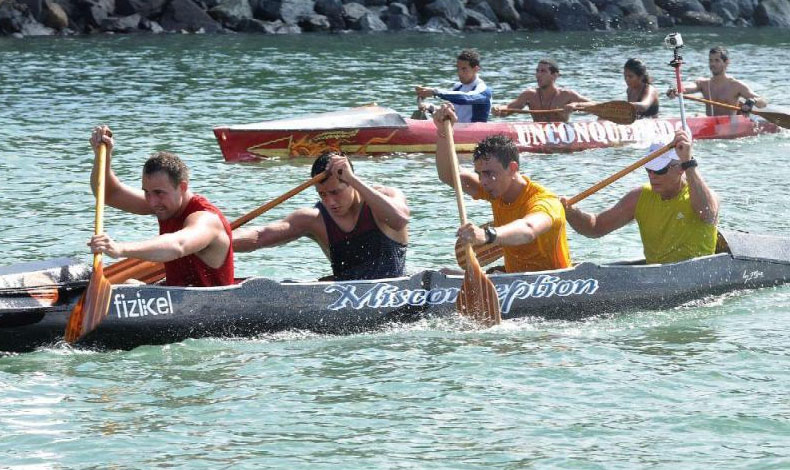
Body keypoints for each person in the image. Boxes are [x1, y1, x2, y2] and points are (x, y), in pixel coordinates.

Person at [87, 126, 234, 287]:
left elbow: (178, 245)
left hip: (210, 307)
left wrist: (120, 248)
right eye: (147, 192)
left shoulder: (206, 219)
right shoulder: (166, 205)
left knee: (130, 286)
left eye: (159, 193)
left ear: (183, 187)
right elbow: (109, 194)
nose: (152, 202)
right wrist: (103, 156)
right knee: (129, 285)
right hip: (179, 300)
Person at [432, 104, 571, 273]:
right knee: (442, 274)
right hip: (514, 281)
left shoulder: (544, 201)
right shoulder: (495, 191)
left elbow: (529, 229)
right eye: (479, 173)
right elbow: (449, 174)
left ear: (512, 168)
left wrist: (487, 236)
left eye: (489, 173)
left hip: (551, 284)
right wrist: (443, 133)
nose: (483, 181)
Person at [232, 152, 409, 281]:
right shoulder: (314, 219)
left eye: (335, 192)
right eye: (322, 194)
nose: (330, 202)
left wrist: (352, 179)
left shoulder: (383, 199)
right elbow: (260, 236)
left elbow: (399, 219)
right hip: (343, 297)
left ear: (352, 183)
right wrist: (220, 238)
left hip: (391, 293)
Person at [561, 130, 718, 265]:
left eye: (659, 170)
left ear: (680, 168)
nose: (652, 176)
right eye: (649, 169)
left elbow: (708, 213)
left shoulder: (702, 196)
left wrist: (689, 162)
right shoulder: (639, 198)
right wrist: (570, 211)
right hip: (656, 277)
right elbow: (595, 227)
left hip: (697, 276)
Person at [667, 46, 767, 116]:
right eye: (710, 60)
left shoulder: (736, 86)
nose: (713, 64)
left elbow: (763, 102)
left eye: (717, 60)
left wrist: (752, 101)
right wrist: (676, 89)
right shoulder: (703, 84)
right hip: (710, 126)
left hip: (730, 128)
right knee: (697, 115)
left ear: (726, 62)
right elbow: (687, 88)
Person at [492, 58, 590, 123]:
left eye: (543, 71)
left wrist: (576, 105)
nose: (538, 75)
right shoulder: (529, 95)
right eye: (537, 71)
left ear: (554, 75)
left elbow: (594, 104)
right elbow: (508, 109)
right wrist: (499, 109)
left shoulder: (567, 95)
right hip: (538, 138)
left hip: (561, 143)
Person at [414, 48, 492, 123]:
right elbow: (452, 112)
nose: (459, 73)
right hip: (455, 131)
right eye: (458, 68)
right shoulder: (457, 87)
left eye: (464, 69)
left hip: (473, 133)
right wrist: (429, 107)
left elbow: (467, 98)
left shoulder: (483, 90)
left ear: (476, 69)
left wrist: (435, 92)